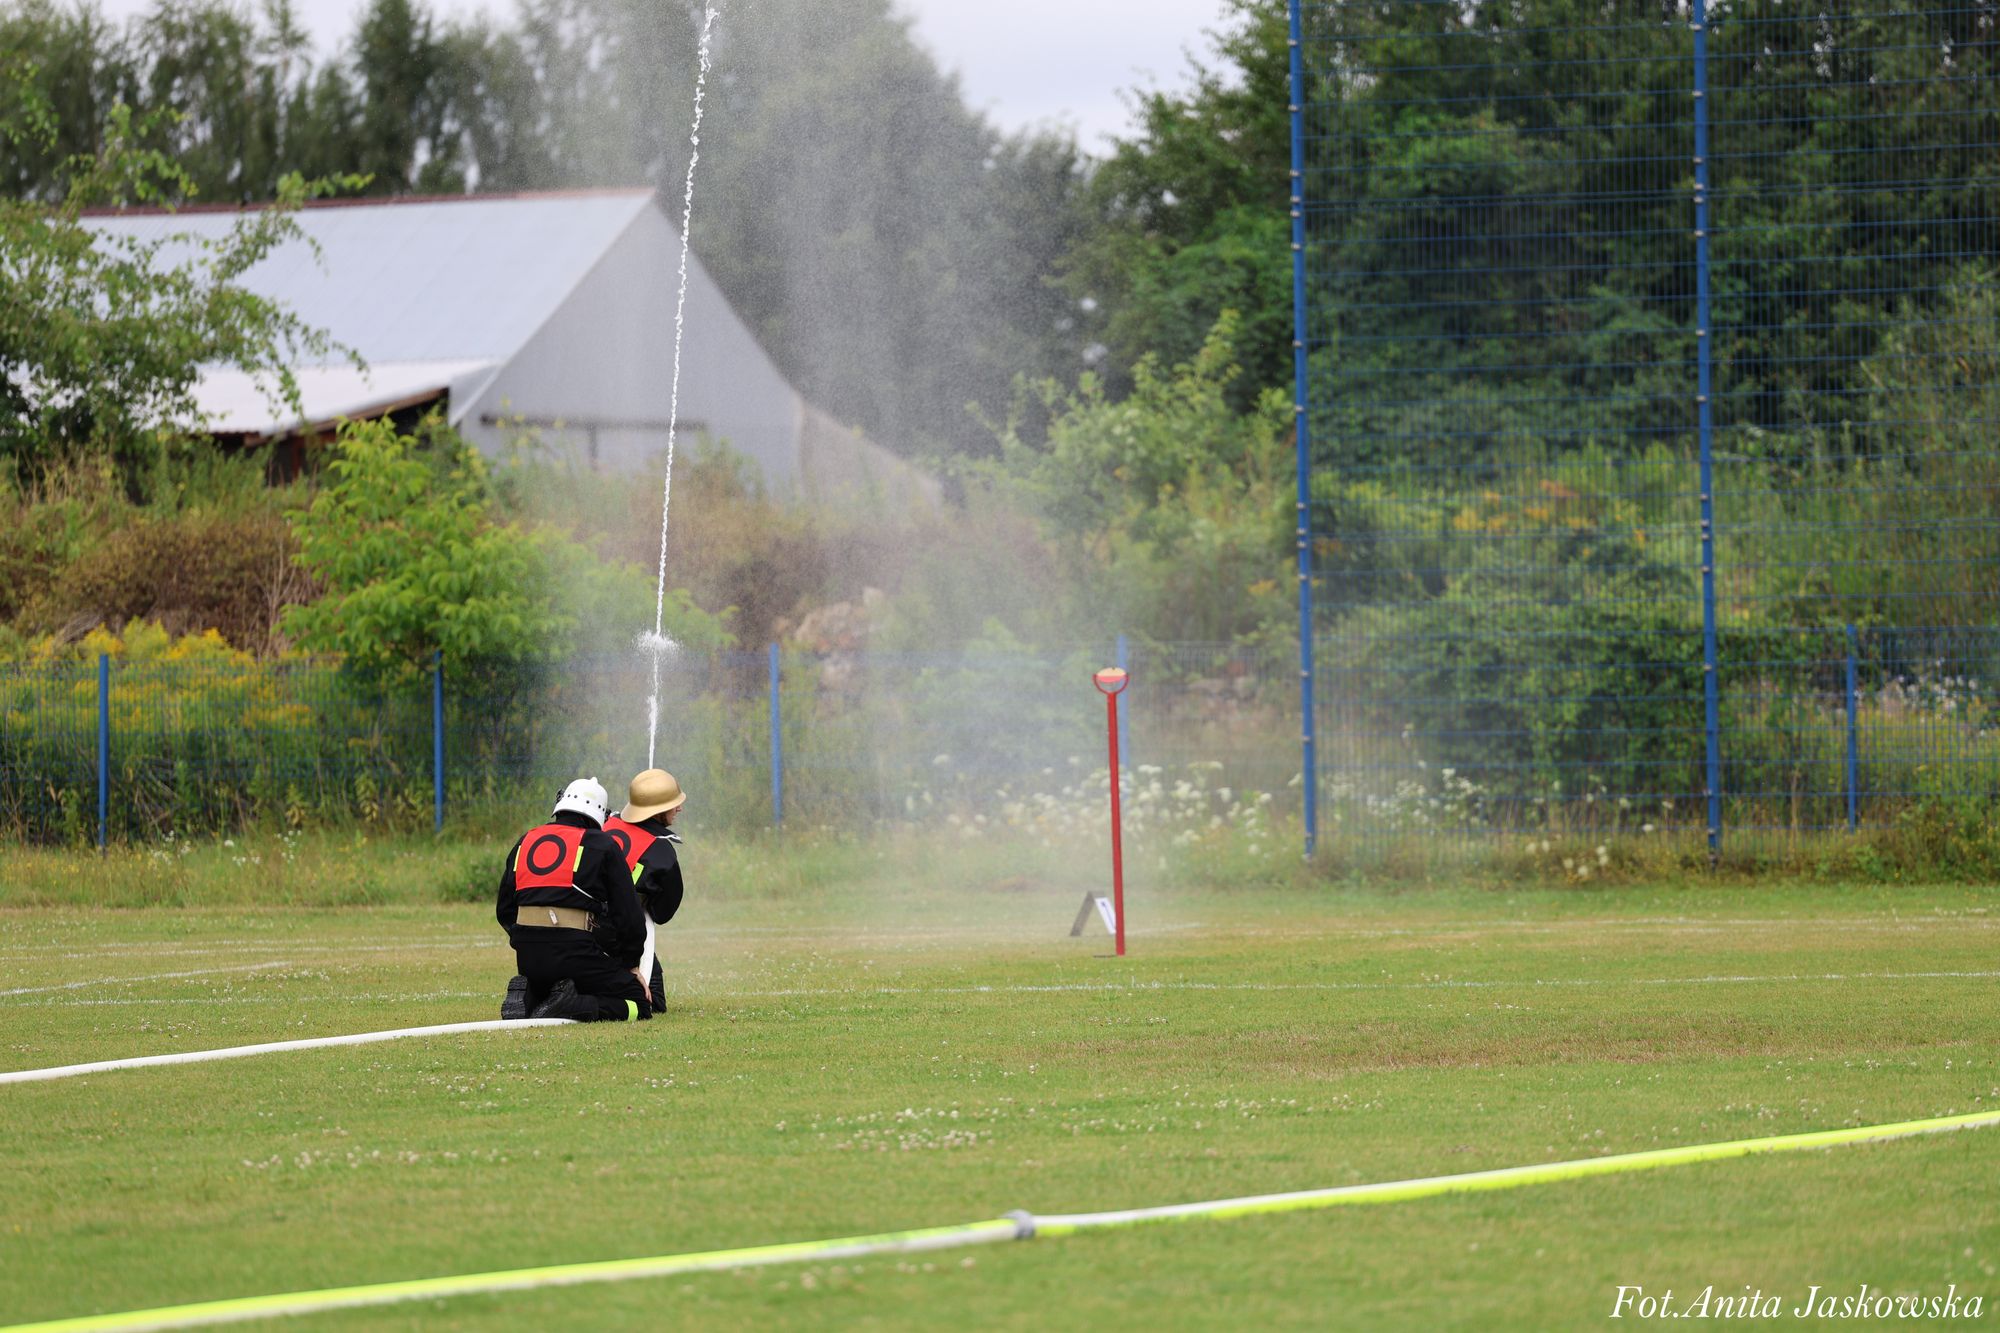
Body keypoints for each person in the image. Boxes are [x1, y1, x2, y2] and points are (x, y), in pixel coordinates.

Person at [497, 777, 651, 1022]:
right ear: (600, 814)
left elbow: (504, 910)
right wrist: (630, 964)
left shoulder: (525, 840)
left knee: (556, 986)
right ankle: (573, 1005)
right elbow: (629, 916)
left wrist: (526, 941)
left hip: (527, 957)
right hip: (574, 952)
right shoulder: (603, 845)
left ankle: (529, 996)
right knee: (638, 1003)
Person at [600, 769, 688, 1014]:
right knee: (651, 1004)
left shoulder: (605, 824)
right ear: (657, 810)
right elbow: (661, 913)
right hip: (620, 934)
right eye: (674, 803)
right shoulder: (662, 852)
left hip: (576, 928)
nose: (679, 808)